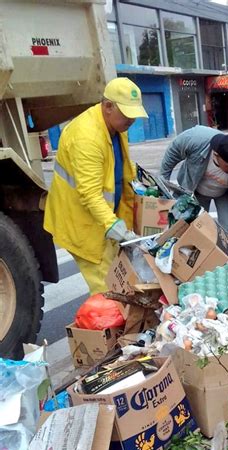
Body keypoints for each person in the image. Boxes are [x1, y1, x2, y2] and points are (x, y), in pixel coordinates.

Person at [44, 77, 148, 294]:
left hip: (104, 219)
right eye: (127, 114)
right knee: (108, 291)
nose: (132, 120)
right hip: (84, 224)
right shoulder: (87, 137)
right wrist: (113, 225)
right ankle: (106, 326)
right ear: (108, 106)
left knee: (121, 282)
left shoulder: (116, 127)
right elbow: (90, 194)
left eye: (134, 114)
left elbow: (119, 167)